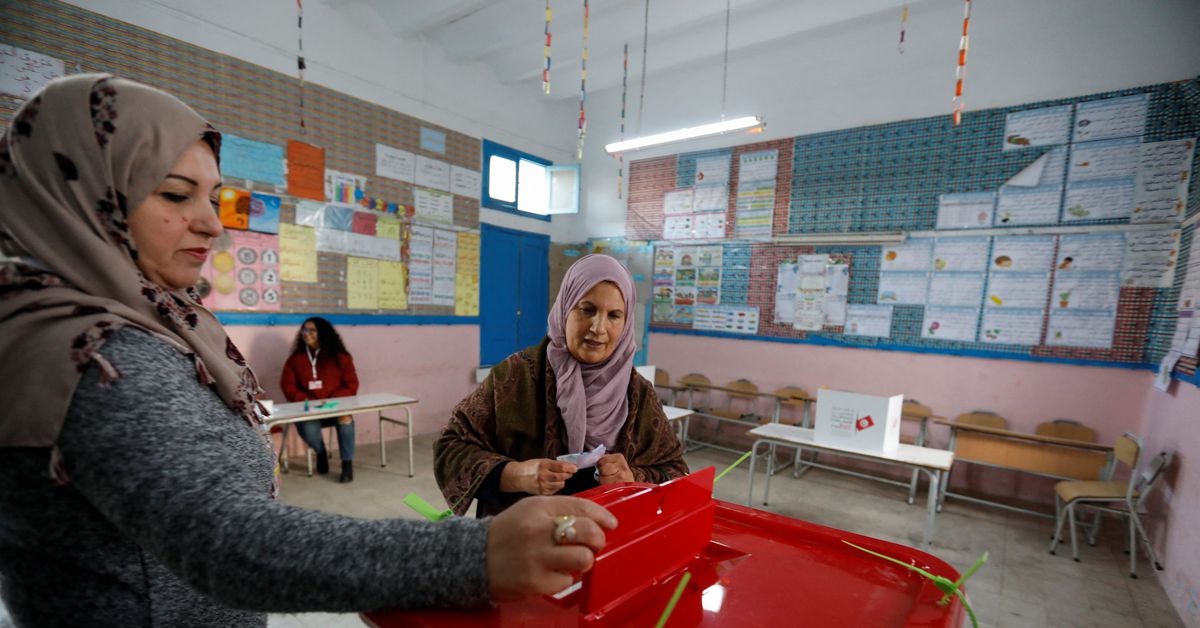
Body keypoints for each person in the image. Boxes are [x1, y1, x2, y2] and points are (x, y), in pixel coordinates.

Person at [0, 75, 617, 627]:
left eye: (212, 198)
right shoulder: (95, 356)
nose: (213, 224)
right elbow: (227, 539)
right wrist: (477, 549)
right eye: (175, 195)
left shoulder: (158, 323)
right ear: (81, 196)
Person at [435, 254, 689, 518]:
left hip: (611, 541)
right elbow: (450, 447)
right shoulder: (515, 377)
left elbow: (676, 472)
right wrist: (516, 475)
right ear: (565, 309)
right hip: (524, 540)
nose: (598, 328)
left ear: (626, 325)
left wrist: (632, 478)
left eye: (614, 315)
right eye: (587, 309)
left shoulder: (638, 393)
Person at [280, 316, 359, 482]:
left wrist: (332, 401)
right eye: (304, 330)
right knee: (308, 426)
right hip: (309, 408)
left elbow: (351, 384)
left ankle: (347, 464)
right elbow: (288, 385)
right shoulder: (295, 359)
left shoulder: (341, 357)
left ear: (323, 333)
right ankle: (321, 452)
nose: (306, 334)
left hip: (336, 406)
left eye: (312, 330)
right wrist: (308, 400)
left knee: (346, 421)